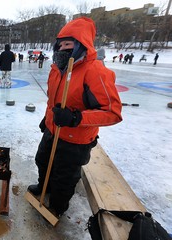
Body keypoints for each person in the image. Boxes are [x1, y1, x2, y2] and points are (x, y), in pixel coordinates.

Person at [27, 17, 122, 217]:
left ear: (81, 44)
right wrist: (48, 119)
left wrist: (75, 118)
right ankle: (45, 187)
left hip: (75, 140)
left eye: (68, 43)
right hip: (52, 130)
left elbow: (111, 113)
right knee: (42, 161)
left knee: (64, 178)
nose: (62, 48)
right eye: (60, 44)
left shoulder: (95, 71)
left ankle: (57, 206)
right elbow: (53, 102)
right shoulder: (56, 69)